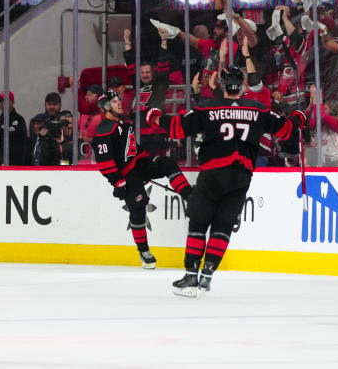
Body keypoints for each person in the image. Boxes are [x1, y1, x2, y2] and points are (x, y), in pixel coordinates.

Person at [146, 65, 307, 297]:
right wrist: (299, 118)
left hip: (213, 174)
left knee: (199, 224)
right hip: (242, 177)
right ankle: (207, 276)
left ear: (222, 85)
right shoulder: (258, 109)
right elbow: (286, 130)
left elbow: (177, 128)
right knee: (222, 227)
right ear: (241, 86)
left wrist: (155, 116)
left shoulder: (208, 107)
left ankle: (191, 276)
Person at [91, 91, 193, 269]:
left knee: (167, 164)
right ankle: (144, 251)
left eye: (119, 100)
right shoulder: (104, 131)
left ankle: (190, 197)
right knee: (138, 208)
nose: (120, 103)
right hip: (126, 175)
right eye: (115, 101)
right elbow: (104, 162)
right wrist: (117, 181)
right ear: (106, 107)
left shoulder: (123, 122)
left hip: (140, 164)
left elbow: (132, 144)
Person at [0, 91, 28, 165]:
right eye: (0, 101)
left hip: (16, 164)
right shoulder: (0, 118)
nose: (1, 103)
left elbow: (24, 143)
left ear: (12, 102)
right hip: (2, 162)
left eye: (4, 100)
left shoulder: (19, 119)